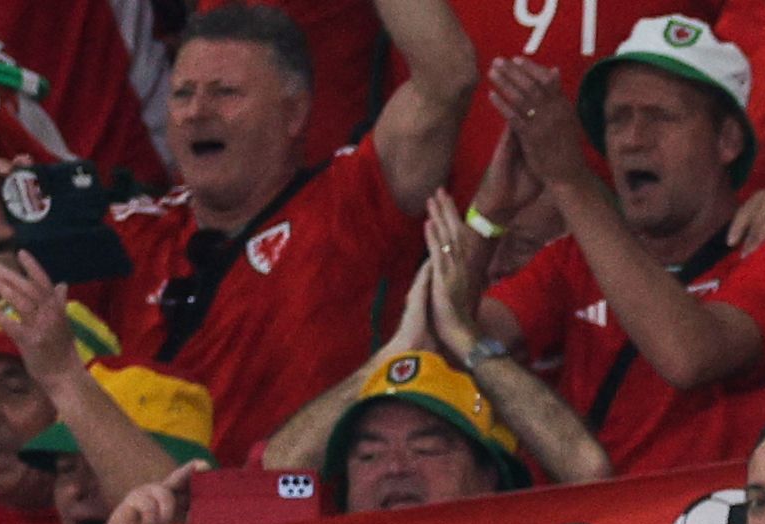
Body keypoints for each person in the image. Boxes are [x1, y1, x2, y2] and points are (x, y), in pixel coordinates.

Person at [87, 0, 478, 461]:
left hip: (299, 519)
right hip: (151, 521)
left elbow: (447, 78)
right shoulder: (127, 233)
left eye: (225, 92)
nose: (196, 112)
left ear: (294, 114)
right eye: (181, 94)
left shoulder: (350, 205)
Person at [461, 30, 765, 488]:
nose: (632, 140)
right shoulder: (576, 258)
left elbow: (690, 357)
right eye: (618, 119)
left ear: (727, 140)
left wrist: (569, 180)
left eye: (660, 117)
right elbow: (442, 338)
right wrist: (490, 210)